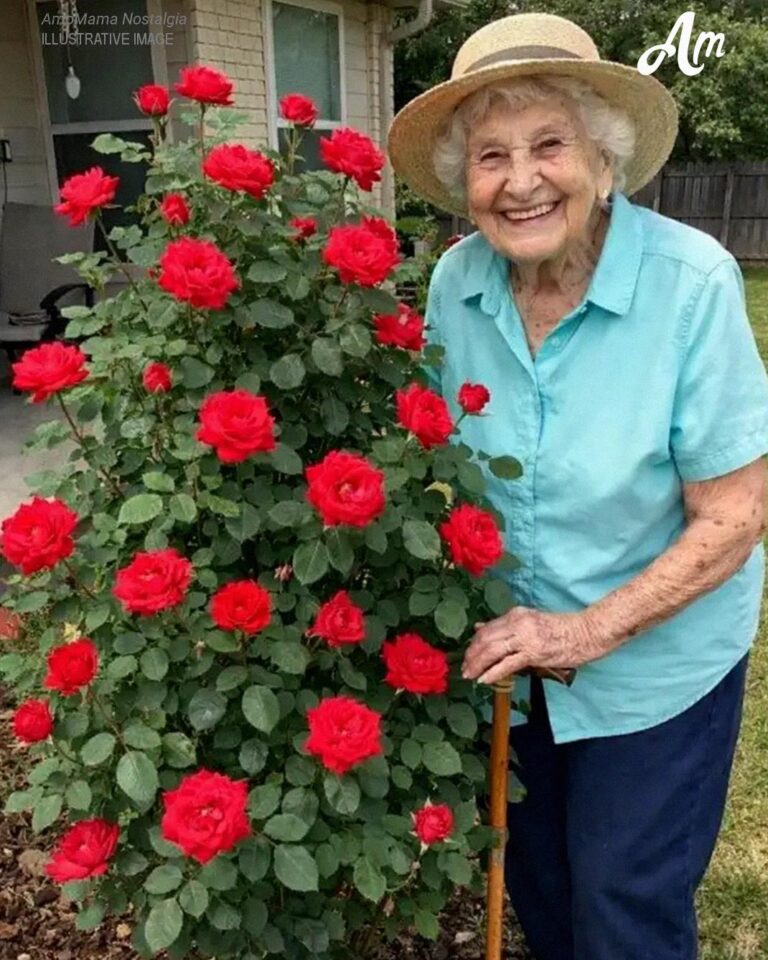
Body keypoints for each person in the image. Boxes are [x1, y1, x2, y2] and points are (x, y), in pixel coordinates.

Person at [387, 12, 768, 960]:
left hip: (654, 669)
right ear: (463, 180)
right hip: (514, 662)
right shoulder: (454, 283)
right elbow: (438, 463)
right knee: (543, 889)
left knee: (622, 906)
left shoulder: (693, 285)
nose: (520, 182)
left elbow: (735, 516)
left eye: (548, 145)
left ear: (602, 159)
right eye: (490, 156)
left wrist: (583, 631)